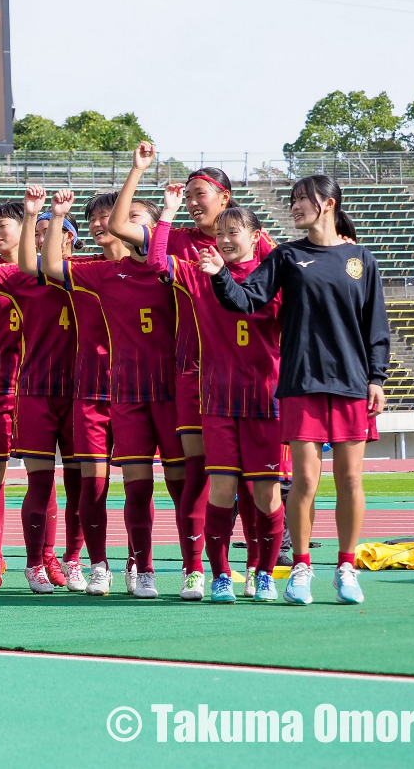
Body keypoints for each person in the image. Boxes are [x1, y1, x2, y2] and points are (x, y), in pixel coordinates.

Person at [206, 174, 388, 606]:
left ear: (327, 204)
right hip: (301, 382)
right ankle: (302, 566)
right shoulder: (287, 256)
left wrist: (377, 378)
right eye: (292, 200)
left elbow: (374, 325)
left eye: (302, 199)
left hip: (351, 384)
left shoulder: (361, 258)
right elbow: (247, 300)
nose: (294, 206)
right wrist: (218, 275)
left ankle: (346, 567)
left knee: (350, 479)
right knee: (304, 479)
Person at [108, 144, 276, 603]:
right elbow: (122, 227)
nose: (195, 200)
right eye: (191, 193)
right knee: (204, 476)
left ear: (226, 199)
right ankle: (199, 569)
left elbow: (289, 285)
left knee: (255, 479)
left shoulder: (252, 241)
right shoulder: (178, 241)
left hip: (250, 377)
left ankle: (261, 567)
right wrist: (138, 170)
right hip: (191, 375)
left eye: (202, 192)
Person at [44, 189, 189, 600]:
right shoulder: (93, 272)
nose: (101, 224)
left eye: (111, 216)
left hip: (162, 391)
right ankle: (102, 565)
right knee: (97, 484)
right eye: (95, 218)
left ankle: (185, 567)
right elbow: (50, 264)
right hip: (99, 391)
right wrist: (55, 217)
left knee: (181, 484)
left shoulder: (170, 269)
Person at [148, 188, 286, 603]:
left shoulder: (276, 278)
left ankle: (263, 573)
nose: (224, 239)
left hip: (266, 401)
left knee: (266, 494)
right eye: (220, 232)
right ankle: (221, 574)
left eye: (234, 232)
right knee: (222, 489)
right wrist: (169, 213)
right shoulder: (199, 271)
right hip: (219, 400)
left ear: (256, 236)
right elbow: (156, 261)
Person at [0, 191, 84, 592]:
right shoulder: (4, 275)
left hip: (50, 387)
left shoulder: (74, 273)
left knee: (51, 478)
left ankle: (50, 555)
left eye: (1, 226)